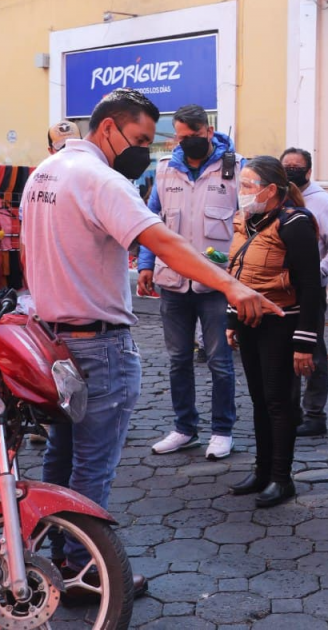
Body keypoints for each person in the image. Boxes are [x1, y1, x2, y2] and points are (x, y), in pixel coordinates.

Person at [20, 88, 280, 598]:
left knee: (59, 456)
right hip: (98, 345)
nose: (145, 149)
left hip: (52, 341)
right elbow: (163, 243)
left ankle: (50, 555)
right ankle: (82, 570)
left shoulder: (42, 175)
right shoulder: (102, 179)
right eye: (139, 138)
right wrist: (232, 284)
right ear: (109, 128)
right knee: (91, 465)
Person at [137, 104, 242, 460]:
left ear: (208, 133)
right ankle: (184, 428)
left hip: (215, 284)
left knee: (219, 361)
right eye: (180, 138)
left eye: (192, 137)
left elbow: (246, 226)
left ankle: (222, 431)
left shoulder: (236, 169)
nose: (184, 144)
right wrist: (147, 264)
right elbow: (152, 220)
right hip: (172, 282)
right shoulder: (165, 169)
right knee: (178, 359)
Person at [225, 157, 322, 508]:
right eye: (241, 185)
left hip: (283, 322)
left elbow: (312, 287)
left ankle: (282, 478)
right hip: (252, 322)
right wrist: (232, 320)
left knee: (279, 402)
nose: (242, 192)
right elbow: (238, 272)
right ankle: (262, 470)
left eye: (249, 186)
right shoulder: (249, 221)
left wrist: (305, 342)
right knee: (259, 400)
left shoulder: (295, 224)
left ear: (270, 190)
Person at [280, 147, 328, 438]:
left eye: (296, 168)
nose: (291, 171)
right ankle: (291, 410)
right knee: (285, 351)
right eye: (286, 166)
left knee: (313, 352)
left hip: (310, 291)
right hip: (281, 290)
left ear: (308, 171)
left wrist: (317, 271)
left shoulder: (321, 202)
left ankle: (314, 413)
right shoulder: (279, 196)